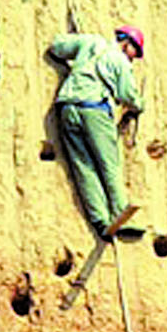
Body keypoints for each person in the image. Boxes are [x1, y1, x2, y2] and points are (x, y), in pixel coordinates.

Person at [47, 26, 146, 235]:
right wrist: (139, 105)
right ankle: (120, 215)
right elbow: (127, 95)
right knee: (109, 164)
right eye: (134, 52)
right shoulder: (120, 61)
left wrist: (78, 60)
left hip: (67, 106)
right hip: (95, 109)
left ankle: (99, 219)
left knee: (83, 165)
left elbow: (57, 46)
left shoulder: (91, 41)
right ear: (126, 42)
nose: (133, 59)